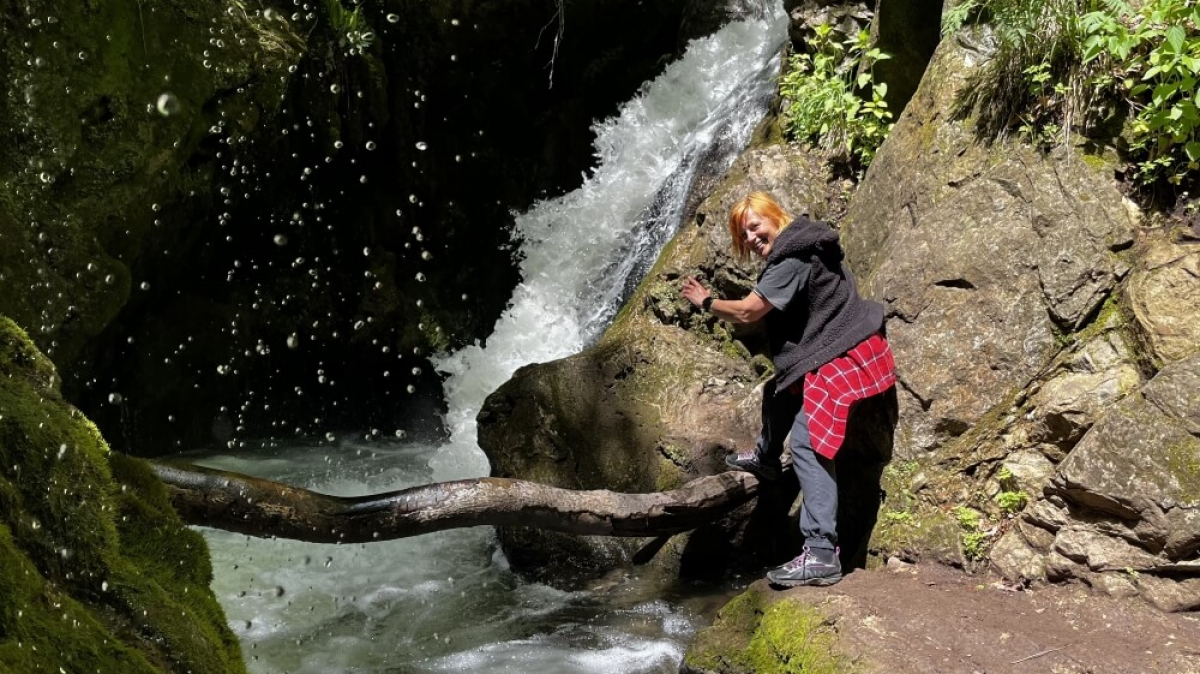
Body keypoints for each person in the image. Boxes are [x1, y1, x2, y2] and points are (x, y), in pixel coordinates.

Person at [680, 191, 895, 587]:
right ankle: (764, 457)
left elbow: (748, 311)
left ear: (775, 216)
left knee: (807, 447)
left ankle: (820, 554)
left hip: (843, 354)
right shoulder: (810, 242)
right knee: (778, 390)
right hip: (846, 343)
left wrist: (705, 301)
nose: (751, 238)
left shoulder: (791, 258)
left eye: (755, 226)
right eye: (743, 235)